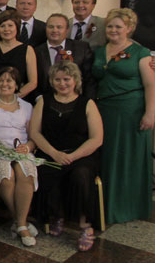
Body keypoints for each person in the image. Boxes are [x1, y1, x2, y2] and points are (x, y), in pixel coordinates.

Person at [92, 8, 155, 224]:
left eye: (118, 27)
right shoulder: (100, 51)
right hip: (105, 110)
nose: (113, 30)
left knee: (128, 157)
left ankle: (128, 207)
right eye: (110, 26)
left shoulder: (140, 52)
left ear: (129, 28)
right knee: (108, 157)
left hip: (131, 111)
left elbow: (150, 85)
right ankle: (107, 206)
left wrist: (150, 113)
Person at [30, 61, 103, 251]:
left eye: (66, 79)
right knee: (44, 172)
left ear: (75, 80)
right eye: (57, 79)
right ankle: (57, 215)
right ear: (52, 81)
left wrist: (74, 156)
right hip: (51, 152)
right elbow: (35, 133)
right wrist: (54, 153)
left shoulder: (88, 104)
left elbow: (97, 139)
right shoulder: (43, 101)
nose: (62, 83)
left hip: (81, 155)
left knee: (80, 176)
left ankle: (85, 225)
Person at [0, 67, 38, 247]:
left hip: (20, 151)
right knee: (6, 176)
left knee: (26, 173)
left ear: (17, 85)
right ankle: (22, 223)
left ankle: (19, 224)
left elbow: (33, 137)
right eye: (1, 80)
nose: (4, 84)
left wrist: (27, 147)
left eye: (9, 81)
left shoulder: (27, 107)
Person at [34, 13, 95, 100]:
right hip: (45, 101)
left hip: (76, 101)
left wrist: (85, 102)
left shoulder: (82, 48)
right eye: (51, 27)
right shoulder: (36, 51)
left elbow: (89, 80)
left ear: (67, 30)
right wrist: (39, 99)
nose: (54, 30)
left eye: (59, 27)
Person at [0, 10, 37, 103]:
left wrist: (13, 98)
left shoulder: (28, 50)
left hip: (18, 100)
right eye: (2, 26)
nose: (6, 29)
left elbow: (33, 82)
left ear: (17, 27)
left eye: (10, 25)